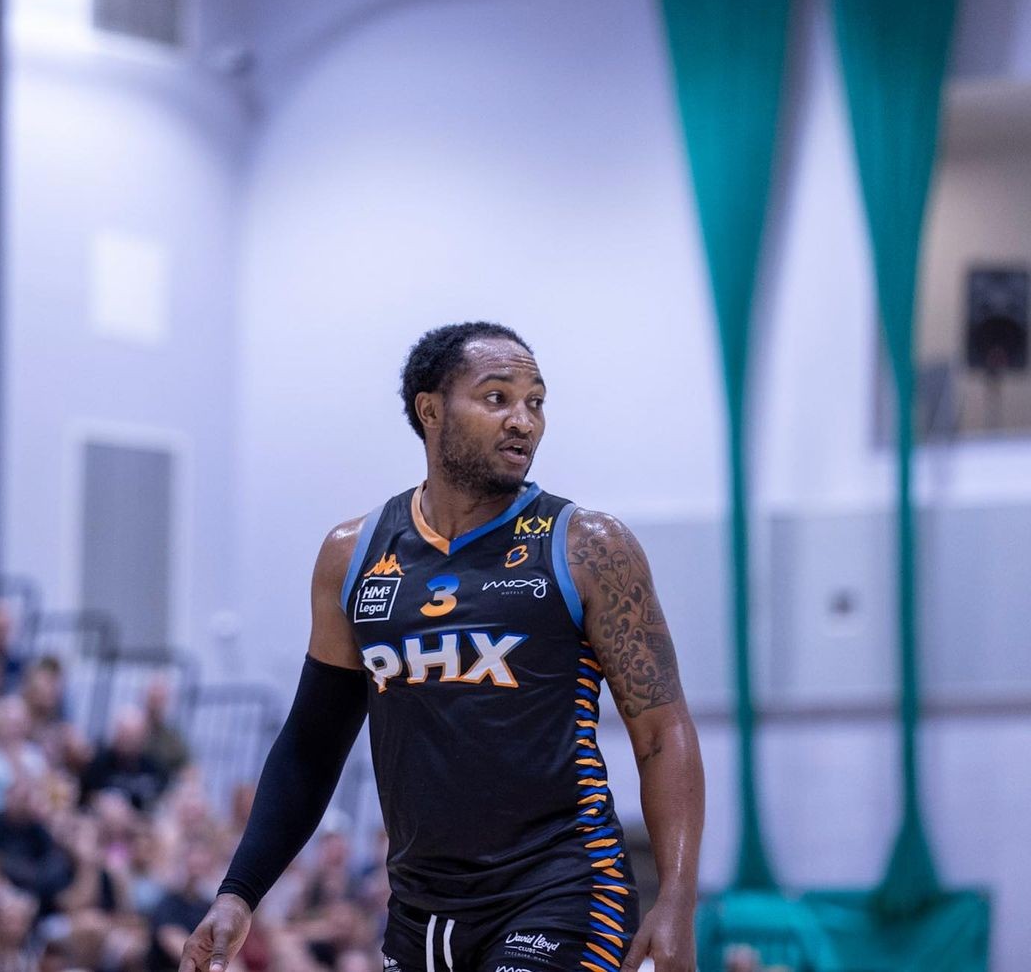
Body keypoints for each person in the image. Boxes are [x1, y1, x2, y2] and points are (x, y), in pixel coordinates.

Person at [180, 322, 705, 972]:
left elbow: (661, 733)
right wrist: (239, 891)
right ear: (430, 410)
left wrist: (677, 900)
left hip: (561, 891)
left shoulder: (588, 547)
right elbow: (311, 746)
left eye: (536, 402)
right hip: (420, 912)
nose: (523, 421)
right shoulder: (353, 555)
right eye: (497, 398)